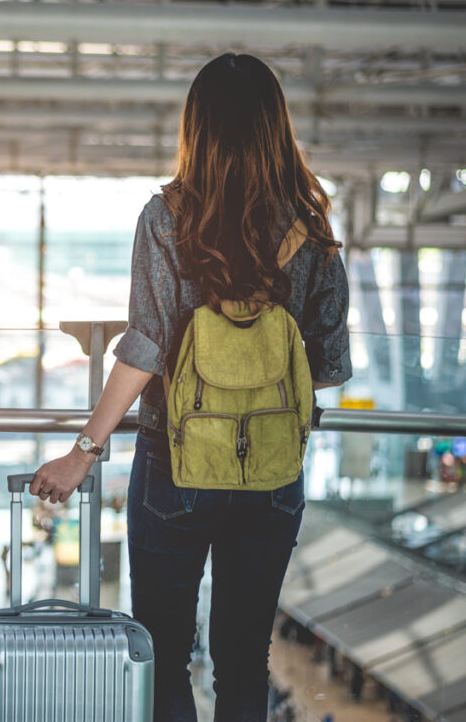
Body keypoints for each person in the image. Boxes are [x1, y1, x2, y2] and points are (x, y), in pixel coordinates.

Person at [31, 53, 351, 721]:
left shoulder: (167, 218)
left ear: (197, 127)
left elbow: (144, 349)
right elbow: (324, 367)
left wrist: (80, 451)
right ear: (276, 126)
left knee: (165, 654)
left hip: (174, 464)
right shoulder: (313, 229)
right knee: (242, 665)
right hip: (270, 472)